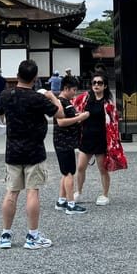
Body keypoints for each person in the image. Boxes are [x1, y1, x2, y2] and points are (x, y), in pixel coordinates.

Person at [0, 59, 64, 250]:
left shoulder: (5, 95)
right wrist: (53, 97)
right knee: (32, 191)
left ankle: (5, 234)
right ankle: (33, 235)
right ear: (35, 78)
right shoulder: (37, 98)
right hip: (34, 150)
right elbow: (60, 115)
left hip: (13, 149)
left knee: (12, 191)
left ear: (17, 75)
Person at [73, 71, 127, 206]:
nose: (96, 85)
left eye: (100, 83)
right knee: (80, 167)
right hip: (86, 138)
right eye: (94, 83)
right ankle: (78, 192)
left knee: (102, 169)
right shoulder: (85, 99)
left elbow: (113, 124)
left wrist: (113, 143)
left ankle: (105, 194)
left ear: (105, 86)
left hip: (101, 140)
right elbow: (72, 105)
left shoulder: (108, 104)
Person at [53, 75, 90, 215]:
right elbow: (61, 122)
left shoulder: (65, 102)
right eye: (74, 90)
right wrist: (80, 117)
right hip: (64, 142)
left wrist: (77, 116)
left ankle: (61, 200)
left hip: (65, 141)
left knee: (65, 172)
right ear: (66, 88)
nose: (75, 92)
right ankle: (70, 204)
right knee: (69, 173)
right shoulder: (60, 102)